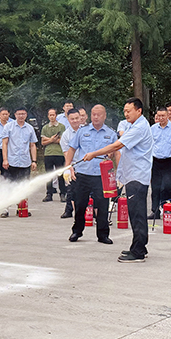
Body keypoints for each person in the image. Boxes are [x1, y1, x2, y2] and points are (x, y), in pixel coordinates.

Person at [82, 98, 152, 263]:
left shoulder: (140, 127)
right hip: (132, 175)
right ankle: (140, 246)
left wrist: (93, 154)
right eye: (125, 111)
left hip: (137, 176)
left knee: (137, 214)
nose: (126, 114)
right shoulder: (133, 125)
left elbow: (116, 146)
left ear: (139, 111)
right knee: (136, 213)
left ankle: (138, 252)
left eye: (129, 111)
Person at [65, 105, 119, 245]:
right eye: (93, 114)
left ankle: (103, 234)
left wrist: (113, 159)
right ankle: (77, 231)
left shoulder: (111, 133)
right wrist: (68, 167)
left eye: (99, 115)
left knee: (102, 205)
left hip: (101, 176)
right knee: (80, 204)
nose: (96, 117)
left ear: (104, 116)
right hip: (83, 174)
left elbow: (115, 152)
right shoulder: (82, 131)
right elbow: (71, 149)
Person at [1, 107, 38, 217]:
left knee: (24, 186)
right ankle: (5, 209)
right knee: (8, 186)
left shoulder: (30, 128)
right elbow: (5, 144)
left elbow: (32, 145)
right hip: (11, 161)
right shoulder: (9, 127)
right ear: (15, 115)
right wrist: (5, 159)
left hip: (25, 162)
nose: (21, 116)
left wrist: (34, 161)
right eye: (19, 114)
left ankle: (22, 208)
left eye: (23, 114)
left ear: (26, 115)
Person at [148, 107, 171, 220]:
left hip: (169, 161)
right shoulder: (152, 128)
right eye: (159, 116)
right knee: (155, 187)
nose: (161, 118)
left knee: (170, 187)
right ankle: (155, 211)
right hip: (156, 161)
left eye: (163, 116)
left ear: (167, 116)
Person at [59, 108, 82, 219]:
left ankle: (91, 212)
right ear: (68, 120)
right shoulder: (66, 135)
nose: (75, 121)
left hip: (87, 166)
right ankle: (69, 210)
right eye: (72, 119)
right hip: (73, 165)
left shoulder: (86, 131)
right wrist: (70, 168)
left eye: (77, 118)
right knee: (71, 190)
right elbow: (67, 154)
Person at [41, 108, 66, 202]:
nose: (52, 117)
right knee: (49, 174)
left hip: (59, 153)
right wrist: (51, 140)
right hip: (48, 154)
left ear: (56, 116)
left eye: (53, 115)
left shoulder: (61, 127)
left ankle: (63, 193)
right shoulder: (45, 128)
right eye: (50, 115)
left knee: (60, 174)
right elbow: (43, 142)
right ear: (48, 116)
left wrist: (50, 140)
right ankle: (49, 194)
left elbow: (62, 140)